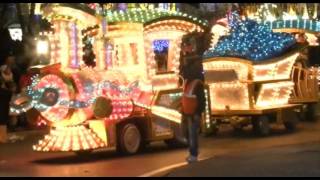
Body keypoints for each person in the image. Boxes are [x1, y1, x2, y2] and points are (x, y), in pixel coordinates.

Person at [180, 35, 206, 163]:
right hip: (189, 102)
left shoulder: (196, 63)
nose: (185, 48)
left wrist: (199, 108)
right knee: (187, 130)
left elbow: (190, 76)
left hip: (194, 102)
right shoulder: (188, 61)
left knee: (192, 130)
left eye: (187, 45)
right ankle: (193, 151)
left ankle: (193, 153)